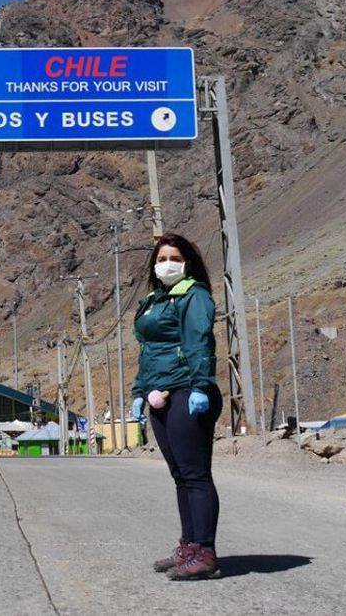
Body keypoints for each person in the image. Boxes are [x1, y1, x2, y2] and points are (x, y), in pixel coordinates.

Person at [129, 232, 223, 581]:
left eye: (175, 259)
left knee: (195, 475)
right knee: (180, 475)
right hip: (159, 394)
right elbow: (148, 352)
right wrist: (140, 392)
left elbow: (199, 342)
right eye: (162, 259)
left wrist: (200, 385)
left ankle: (205, 553)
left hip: (186, 392)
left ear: (188, 263)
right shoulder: (154, 301)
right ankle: (189, 546)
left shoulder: (194, 295)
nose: (167, 264)